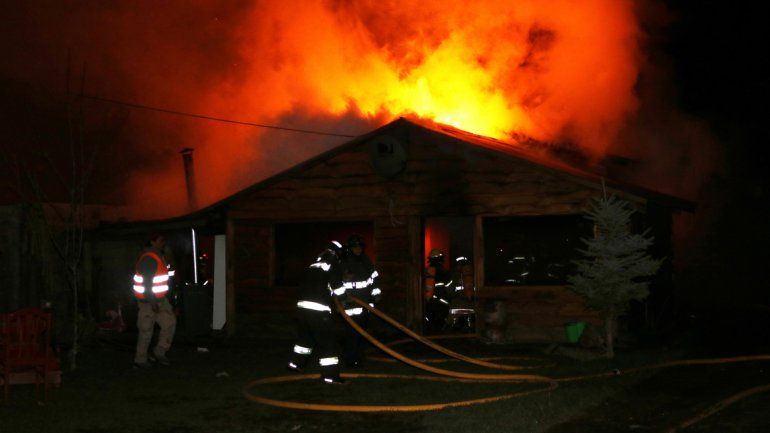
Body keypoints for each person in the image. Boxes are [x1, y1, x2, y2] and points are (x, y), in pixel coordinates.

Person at [287, 241, 347, 384]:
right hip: (318, 311)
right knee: (328, 343)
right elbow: (338, 288)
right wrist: (345, 300)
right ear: (337, 254)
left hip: (302, 309)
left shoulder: (313, 265)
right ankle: (330, 376)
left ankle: (296, 364)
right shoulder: (333, 264)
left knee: (306, 339)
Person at [132, 233, 177, 368]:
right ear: (152, 242)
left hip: (161, 300)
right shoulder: (149, 259)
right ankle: (140, 360)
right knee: (146, 330)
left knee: (169, 323)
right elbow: (147, 283)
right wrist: (152, 302)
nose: (163, 242)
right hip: (149, 302)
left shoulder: (159, 256)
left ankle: (159, 352)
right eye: (161, 240)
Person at [340, 234, 380, 367]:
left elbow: (374, 280)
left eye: (360, 247)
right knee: (351, 333)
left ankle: (358, 356)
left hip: (365, 304)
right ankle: (351, 360)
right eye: (355, 247)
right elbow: (337, 284)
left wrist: (375, 295)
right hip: (350, 305)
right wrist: (343, 300)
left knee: (361, 332)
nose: (358, 249)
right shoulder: (344, 262)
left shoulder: (366, 261)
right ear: (349, 248)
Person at [423, 248, 452, 333]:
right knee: (440, 326)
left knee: (430, 325)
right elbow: (449, 287)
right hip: (442, 303)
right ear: (441, 259)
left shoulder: (426, 271)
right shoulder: (444, 272)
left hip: (429, 302)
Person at [447, 256, 476, 332]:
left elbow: (449, 290)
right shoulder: (474, 277)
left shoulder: (455, 278)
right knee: (470, 327)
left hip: (457, 306)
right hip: (471, 306)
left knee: (453, 328)